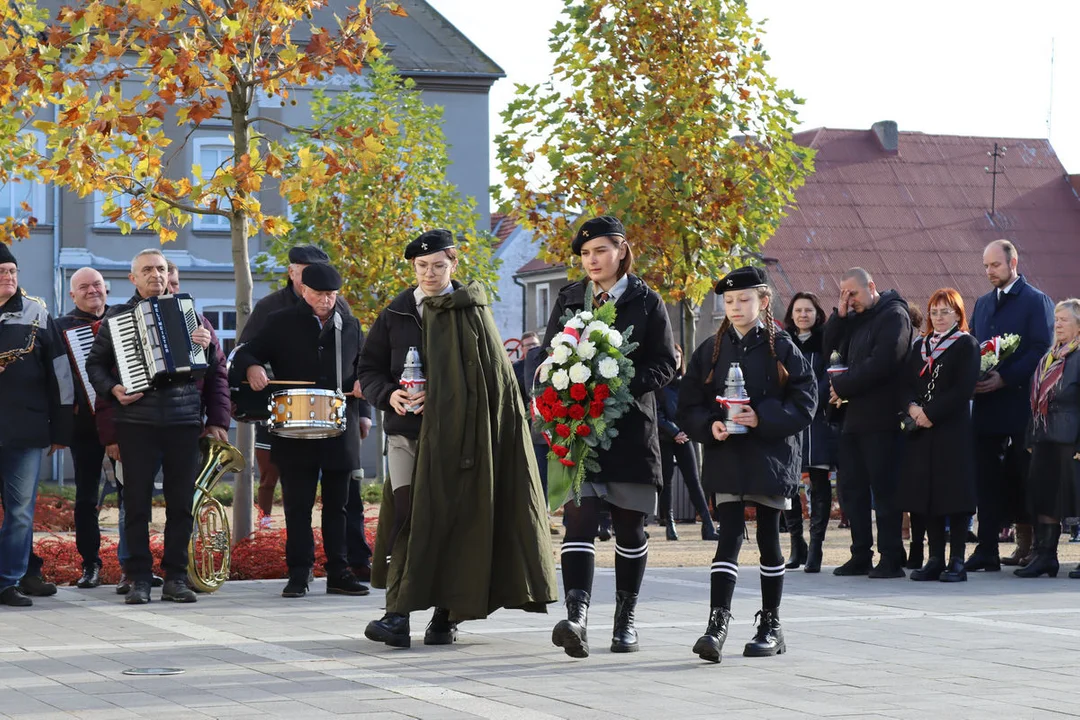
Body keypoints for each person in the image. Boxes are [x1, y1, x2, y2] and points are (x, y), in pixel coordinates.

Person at [360, 229, 557, 648]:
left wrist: (449, 396)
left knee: (454, 522)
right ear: (412, 268)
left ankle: (444, 616)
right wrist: (388, 393)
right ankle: (397, 616)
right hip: (407, 435)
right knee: (409, 515)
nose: (430, 273)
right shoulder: (396, 313)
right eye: (421, 266)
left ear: (453, 264)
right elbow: (368, 368)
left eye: (438, 265)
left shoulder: (472, 311)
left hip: (461, 440)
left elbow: (494, 383)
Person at [540, 216, 677, 658]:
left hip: (631, 430)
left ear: (621, 250)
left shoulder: (646, 300)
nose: (591, 261)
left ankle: (625, 621)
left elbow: (665, 363)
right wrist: (548, 386)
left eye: (599, 251)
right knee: (578, 517)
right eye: (584, 254)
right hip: (579, 429)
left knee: (629, 526)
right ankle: (576, 618)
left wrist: (619, 384)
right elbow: (549, 354)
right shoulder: (568, 298)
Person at [678, 266, 815, 663]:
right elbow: (689, 405)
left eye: (744, 300)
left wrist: (763, 417)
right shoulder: (710, 350)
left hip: (771, 456)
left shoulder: (783, 347)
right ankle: (716, 624)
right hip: (727, 457)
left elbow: (806, 402)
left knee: (770, 538)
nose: (735, 307)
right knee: (729, 535)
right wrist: (711, 426)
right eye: (729, 301)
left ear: (764, 301)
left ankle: (771, 624)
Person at [86, 248, 228, 604]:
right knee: (136, 504)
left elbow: (208, 370)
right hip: (136, 423)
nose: (156, 275)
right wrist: (114, 388)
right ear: (133, 278)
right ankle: (138, 579)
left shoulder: (190, 313)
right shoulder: (117, 318)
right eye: (148, 270)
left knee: (181, 504)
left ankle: (176, 577)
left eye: (161, 269)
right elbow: (95, 366)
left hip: (182, 421)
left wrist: (206, 347)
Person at [234, 263, 372, 599]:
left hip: (340, 427)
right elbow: (245, 353)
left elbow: (366, 369)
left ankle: (339, 571)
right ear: (304, 290)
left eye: (332, 295)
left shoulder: (350, 325)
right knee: (297, 505)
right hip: (294, 429)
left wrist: (363, 392)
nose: (326, 301)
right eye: (320, 294)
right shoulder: (280, 322)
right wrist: (252, 366)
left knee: (339, 505)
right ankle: (299, 572)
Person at [966, 240, 1054, 572]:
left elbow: (1040, 350)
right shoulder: (984, 303)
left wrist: (1005, 378)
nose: (990, 272)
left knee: (1024, 476)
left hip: (1021, 406)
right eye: (986, 266)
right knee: (985, 479)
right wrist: (973, 377)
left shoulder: (1035, 301)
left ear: (1013, 262)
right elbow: (973, 344)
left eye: (995, 266)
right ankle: (986, 548)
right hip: (987, 406)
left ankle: (1033, 547)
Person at [823, 268, 913, 578]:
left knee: (884, 491)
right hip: (852, 418)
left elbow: (885, 361)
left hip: (882, 418)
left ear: (871, 287)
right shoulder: (855, 319)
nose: (850, 299)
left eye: (854, 293)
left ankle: (890, 556)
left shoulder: (894, 314)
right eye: (844, 293)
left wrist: (843, 386)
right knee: (852, 490)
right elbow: (828, 349)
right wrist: (840, 315)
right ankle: (860, 554)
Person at [0, 243, 73, 608]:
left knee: (19, 511)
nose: (9, 277)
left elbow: (61, 376)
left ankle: (7, 582)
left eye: (12, 271)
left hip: (24, 430)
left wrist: (60, 431)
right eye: (2, 272)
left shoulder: (37, 313)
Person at [897, 289, 979, 582]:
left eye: (946, 311)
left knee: (953, 494)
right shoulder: (921, 346)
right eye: (934, 312)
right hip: (921, 431)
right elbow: (906, 383)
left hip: (951, 431)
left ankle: (957, 559)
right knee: (927, 495)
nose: (939, 317)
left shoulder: (966, 345)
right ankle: (934, 558)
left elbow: (962, 389)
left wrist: (931, 413)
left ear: (958, 314)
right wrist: (913, 408)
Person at [54, 267, 111, 589]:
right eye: (84, 287)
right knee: (87, 499)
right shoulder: (60, 328)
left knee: (134, 496)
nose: (92, 291)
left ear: (106, 289)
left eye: (97, 285)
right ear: (72, 294)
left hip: (124, 423)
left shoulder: (121, 319)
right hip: (84, 426)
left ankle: (136, 564)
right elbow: (55, 378)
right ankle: (90, 565)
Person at [1017, 299, 1080, 579]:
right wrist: (1031, 434)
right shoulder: (1050, 356)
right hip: (1044, 436)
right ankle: (1045, 556)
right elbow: (1036, 399)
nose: (1058, 324)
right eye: (1056, 319)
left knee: (1075, 497)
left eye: (1064, 320)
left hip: (1070, 437)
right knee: (1045, 497)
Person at [782, 292, 837, 573]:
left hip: (818, 420)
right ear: (791, 314)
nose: (803, 315)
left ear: (817, 314)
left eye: (809, 310)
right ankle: (796, 543)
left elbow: (831, 376)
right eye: (798, 310)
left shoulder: (826, 343)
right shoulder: (782, 343)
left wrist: (814, 399)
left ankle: (816, 546)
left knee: (818, 481)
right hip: (789, 419)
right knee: (790, 482)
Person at [654, 343, 718, 541]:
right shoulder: (659, 384)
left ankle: (707, 525)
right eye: (672, 356)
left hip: (685, 437)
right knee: (667, 482)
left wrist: (686, 430)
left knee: (693, 480)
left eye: (679, 356)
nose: (676, 360)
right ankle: (670, 524)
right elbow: (657, 413)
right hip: (665, 437)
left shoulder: (686, 383)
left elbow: (691, 409)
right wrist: (674, 432)